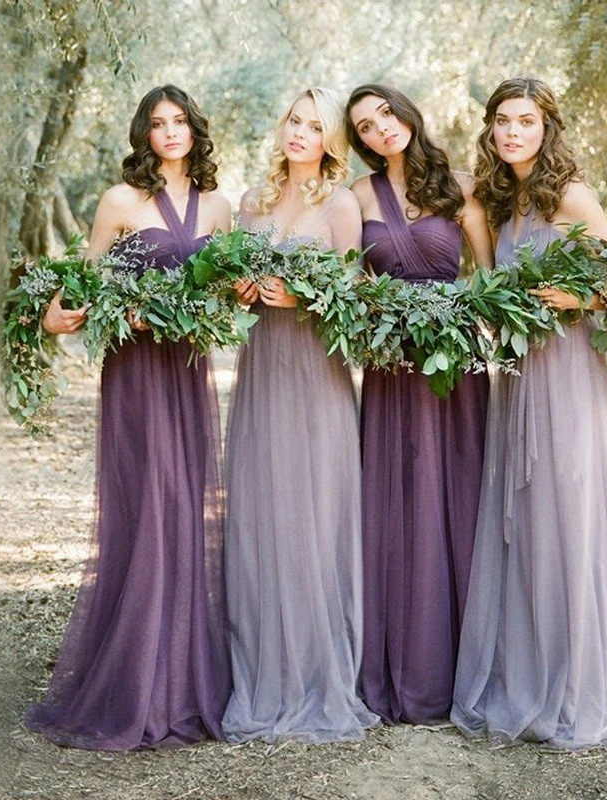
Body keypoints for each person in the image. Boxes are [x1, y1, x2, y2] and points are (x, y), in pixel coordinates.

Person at [451, 76, 607, 749]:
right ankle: (533, 672)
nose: (512, 132)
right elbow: (490, 281)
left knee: (571, 515)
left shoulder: (572, 196)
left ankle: (585, 684)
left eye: (525, 121)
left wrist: (578, 301)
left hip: (571, 380)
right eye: (502, 121)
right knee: (526, 521)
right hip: (521, 379)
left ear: (546, 127)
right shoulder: (502, 202)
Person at [25, 84, 231, 749]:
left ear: (195, 132)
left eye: (180, 122)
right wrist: (55, 315)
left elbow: (223, 302)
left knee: (186, 510)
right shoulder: (119, 201)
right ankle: (131, 682)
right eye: (157, 123)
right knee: (146, 508)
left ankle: (180, 682)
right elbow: (79, 291)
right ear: (144, 134)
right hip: (137, 375)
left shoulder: (220, 208)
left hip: (187, 373)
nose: (169, 132)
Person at [221, 87, 378, 743]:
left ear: (329, 140)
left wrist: (303, 295)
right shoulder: (251, 203)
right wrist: (237, 287)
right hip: (262, 370)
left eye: (315, 125)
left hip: (316, 375)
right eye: (294, 119)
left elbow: (359, 297)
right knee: (262, 513)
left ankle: (316, 674)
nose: (301, 132)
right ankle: (262, 668)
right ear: (281, 126)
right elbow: (224, 282)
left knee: (314, 515)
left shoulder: (341, 204)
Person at [346, 84, 493, 724]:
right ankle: (398, 663)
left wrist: (458, 312)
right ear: (357, 141)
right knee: (395, 497)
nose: (381, 131)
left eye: (385, 115)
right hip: (389, 363)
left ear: (407, 113)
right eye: (364, 127)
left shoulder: (462, 186)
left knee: (455, 491)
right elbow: (349, 281)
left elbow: (487, 278)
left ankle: (465, 666)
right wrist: (379, 308)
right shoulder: (356, 195)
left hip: (454, 363)